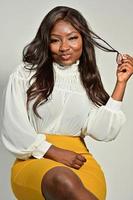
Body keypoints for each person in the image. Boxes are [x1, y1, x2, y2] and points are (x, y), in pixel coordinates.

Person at [1, 5, 133, 200]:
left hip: (80, 161)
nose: (64, 47)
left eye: (72, 38)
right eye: (55, 40)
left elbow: (103, 131)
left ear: (83, 39)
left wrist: (120, 84)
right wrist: (53, 151)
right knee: (64, 180)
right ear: (46, 42)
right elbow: (13, 126)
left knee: (74, 184)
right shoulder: (25, 74)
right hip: (35, 160)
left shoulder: (87, 81)